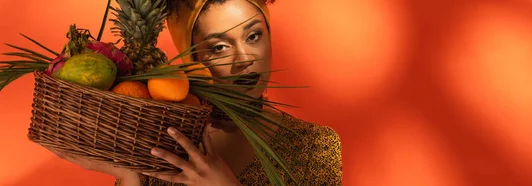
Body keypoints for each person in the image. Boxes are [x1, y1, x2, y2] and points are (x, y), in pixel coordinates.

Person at [53, 0, 342, 185]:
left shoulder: (314, 147)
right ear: (192, 60)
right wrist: (128, 174)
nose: (244, 59)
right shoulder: (158, 143)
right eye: (219, 47)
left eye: (254, 36)